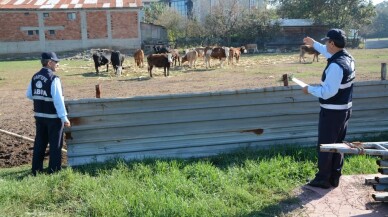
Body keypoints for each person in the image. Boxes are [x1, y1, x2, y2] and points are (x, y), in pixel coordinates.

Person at [302, 29, 355, 189]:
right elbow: (327, 52)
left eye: (327, 42)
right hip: (344, 110)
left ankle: (323, 179)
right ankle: (334, 176)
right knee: (338, 144)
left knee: (325, 145)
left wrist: (309, 89)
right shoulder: (348, 58)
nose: (325, 44)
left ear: (332, 43)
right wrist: (314, 44)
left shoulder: (336, 66)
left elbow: (327, 93)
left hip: (332, 112)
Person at [26, 52, 71, 176]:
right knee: (55, 144)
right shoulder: (53, 78)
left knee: (40, 143)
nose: (57, 64)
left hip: (39, 116)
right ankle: (54, 170)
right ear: (49, 62)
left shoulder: (34, 77)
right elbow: (58, 100)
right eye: (56, 62)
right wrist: (64, 117)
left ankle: (36, 170)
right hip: (53, 118)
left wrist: (40, 98)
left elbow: (29, 95)